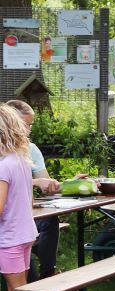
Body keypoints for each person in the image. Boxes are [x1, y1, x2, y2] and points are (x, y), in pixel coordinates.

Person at [0, 103, 48, 291]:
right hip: (25, 233)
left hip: (9, 238)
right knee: (27, 290)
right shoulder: (20, 160)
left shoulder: (3, 166)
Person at [8, 99, 61, 279]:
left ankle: (48, 275)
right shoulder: (4, 153)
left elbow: (46, 185)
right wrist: (35, 183)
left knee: (50, 221)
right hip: (9, 222)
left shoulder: (30, 149)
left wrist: (65, 184)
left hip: (23, 218)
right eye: (24, 125)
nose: (28, 131)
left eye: (30, 125)